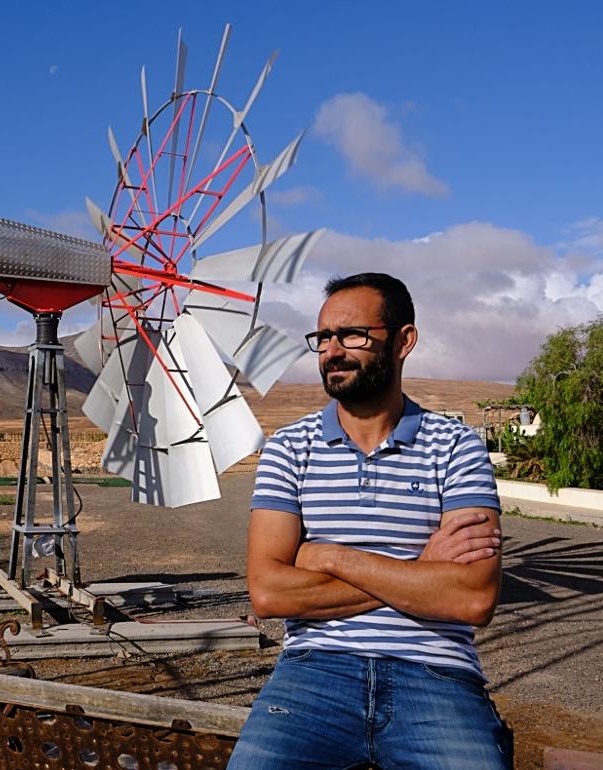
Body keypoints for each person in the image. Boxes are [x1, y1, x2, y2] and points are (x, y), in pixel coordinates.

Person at [228, 273, 513, 769]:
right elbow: (270, 593)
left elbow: (472, 597)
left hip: (436, 675)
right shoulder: (288, 449)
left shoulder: (456, 445)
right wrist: (419, 568)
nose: (332, 351)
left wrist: (330, 556)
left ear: (403, 340)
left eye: (353, 335)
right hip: (313, 673)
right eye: (323, 338)